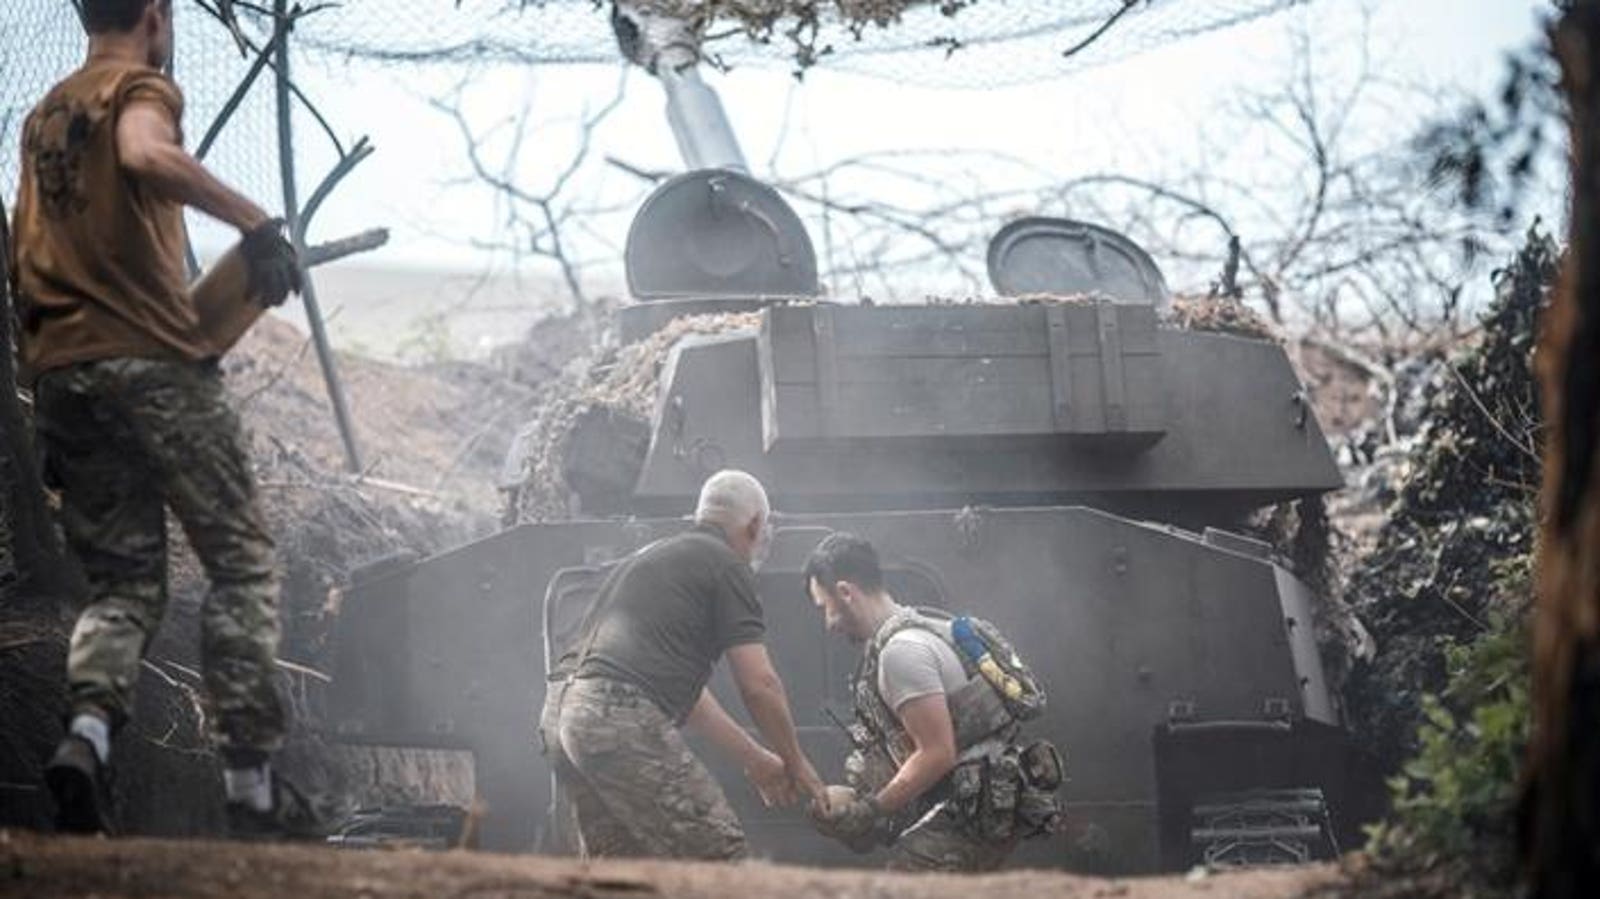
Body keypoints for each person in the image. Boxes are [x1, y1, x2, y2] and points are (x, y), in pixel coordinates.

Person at [11, 0, 309, 838]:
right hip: (153, 367)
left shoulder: (43, 119)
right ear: (155, 12)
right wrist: (253, 221)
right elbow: (146, 152)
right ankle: (252, 782)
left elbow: (27, 252)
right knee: (243, 565)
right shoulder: (134, 88)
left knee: (125, 588)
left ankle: (88, 736)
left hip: (67, 378)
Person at [542, 470, 825, 860]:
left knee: (624, 872)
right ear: (756, 523)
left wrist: (756, 758)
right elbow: (760, 685)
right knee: (721, 861)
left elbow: (685, 697)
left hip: (563, 714)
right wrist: (799, 764)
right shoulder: (726, 565)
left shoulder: (658, 557)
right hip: (615, 713)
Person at [802, 531, 1063, 871]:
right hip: (976, 805)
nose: (829, 624)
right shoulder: (917, 630)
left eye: (826, 608)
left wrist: (872, 810)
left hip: (970, 814)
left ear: (845, 593)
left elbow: (937, 753)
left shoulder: (901, 653)